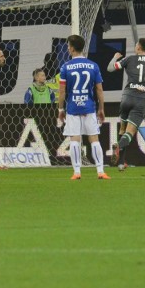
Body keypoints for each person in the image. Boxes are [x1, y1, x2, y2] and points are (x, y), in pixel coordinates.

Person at [107, 38, 145, 170]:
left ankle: (120, 163)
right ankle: (119, 146)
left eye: (136, 45)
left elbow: (110, 69)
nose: (135, 47)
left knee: (122, 130)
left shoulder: (129, 59)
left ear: (139, 47)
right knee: (129, 133)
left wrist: (114, 58)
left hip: (126, 98)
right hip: (141, 100)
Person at [58, 34, 110, 180]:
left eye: (68, 45)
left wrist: (60, 109)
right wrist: (101, 108)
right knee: (94, 139)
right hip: (89, 107)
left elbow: (62, 91)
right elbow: (99, 89)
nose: (68, 48)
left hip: (73, 107)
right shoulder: (93, 65)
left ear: (72, 48)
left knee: (75, 139)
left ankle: (77, 172)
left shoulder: (65, 67)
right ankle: (100, 171)